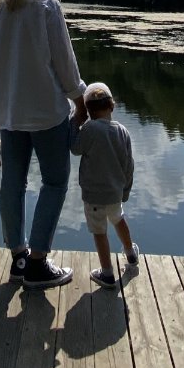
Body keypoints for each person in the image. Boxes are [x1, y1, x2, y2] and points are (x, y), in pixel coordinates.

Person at [0, 0, 87, 289]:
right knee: (55, 182)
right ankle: (39, 263)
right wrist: (79, 99)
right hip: (46, 113)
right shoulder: (46, 5)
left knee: (12, 184)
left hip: (11, 113)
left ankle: (19, 258)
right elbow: (64, 62)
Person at [69, 81, 138, 288]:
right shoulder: (123, 131)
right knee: (119, 219)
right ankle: (131, 254)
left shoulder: (89, 129)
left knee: (100, 231)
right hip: (115, 193)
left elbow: (75, 148)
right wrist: (125, 191)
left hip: (93, 195)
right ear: (112, 106)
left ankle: (107, 273)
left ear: (88, 111)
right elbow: (129, 165)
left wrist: (74, 123)